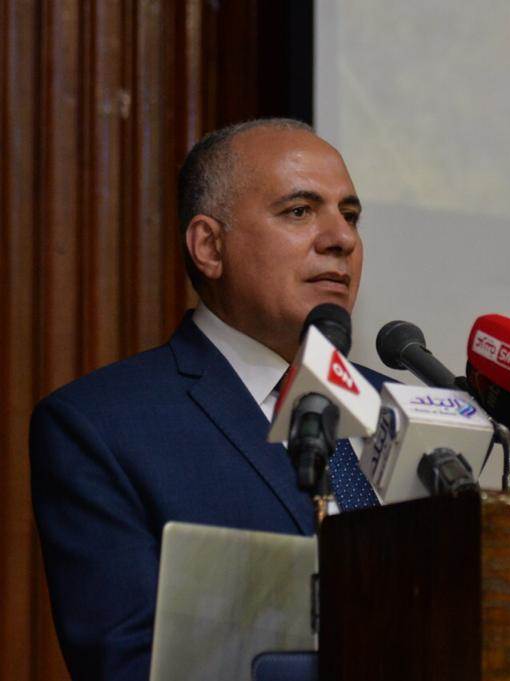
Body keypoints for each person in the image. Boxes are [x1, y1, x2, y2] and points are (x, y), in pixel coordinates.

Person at [30, 119, 388, 680]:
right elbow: (129, 666)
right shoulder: (103, 426)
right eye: (299, 211)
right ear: (209, 246)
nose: (340, 237)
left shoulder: (397, 406)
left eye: (350, 215)